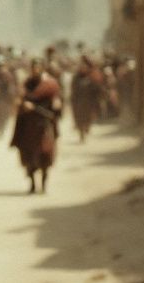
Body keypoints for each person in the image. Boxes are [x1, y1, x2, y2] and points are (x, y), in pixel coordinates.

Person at [10, 57, 63, 194]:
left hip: (44, 124)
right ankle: (33, 184)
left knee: (45, 154)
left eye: (38, 67)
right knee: (29, 155)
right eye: (33, 68)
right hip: (29, 125)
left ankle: (44, 184)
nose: (35, 70)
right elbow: (20, 99)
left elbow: (56, 101)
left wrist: (56, 105)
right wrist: (23, 104)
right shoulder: (27, 84)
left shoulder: (50, 85)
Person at [70, 55, 105, 142]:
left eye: (85, 68)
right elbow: (73, 90)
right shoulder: (76, 78)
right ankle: (81, 133)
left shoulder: (91, 77)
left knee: (88, 118)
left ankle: (86, 128)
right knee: (79, 118)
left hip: (89, 102)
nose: (83, 69)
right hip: (79, 102)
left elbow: (96, 88)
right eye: (82, 68)